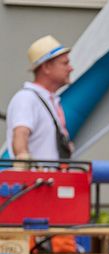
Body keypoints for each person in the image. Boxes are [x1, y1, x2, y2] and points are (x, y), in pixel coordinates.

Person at [5, 35, 74, 165]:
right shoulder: (26, 98)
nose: (71, 68)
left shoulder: (48, 100)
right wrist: (23, 162)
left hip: (47, 181)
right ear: (46, 67)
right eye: (65, 63)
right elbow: (20, 134)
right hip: (38, 183)